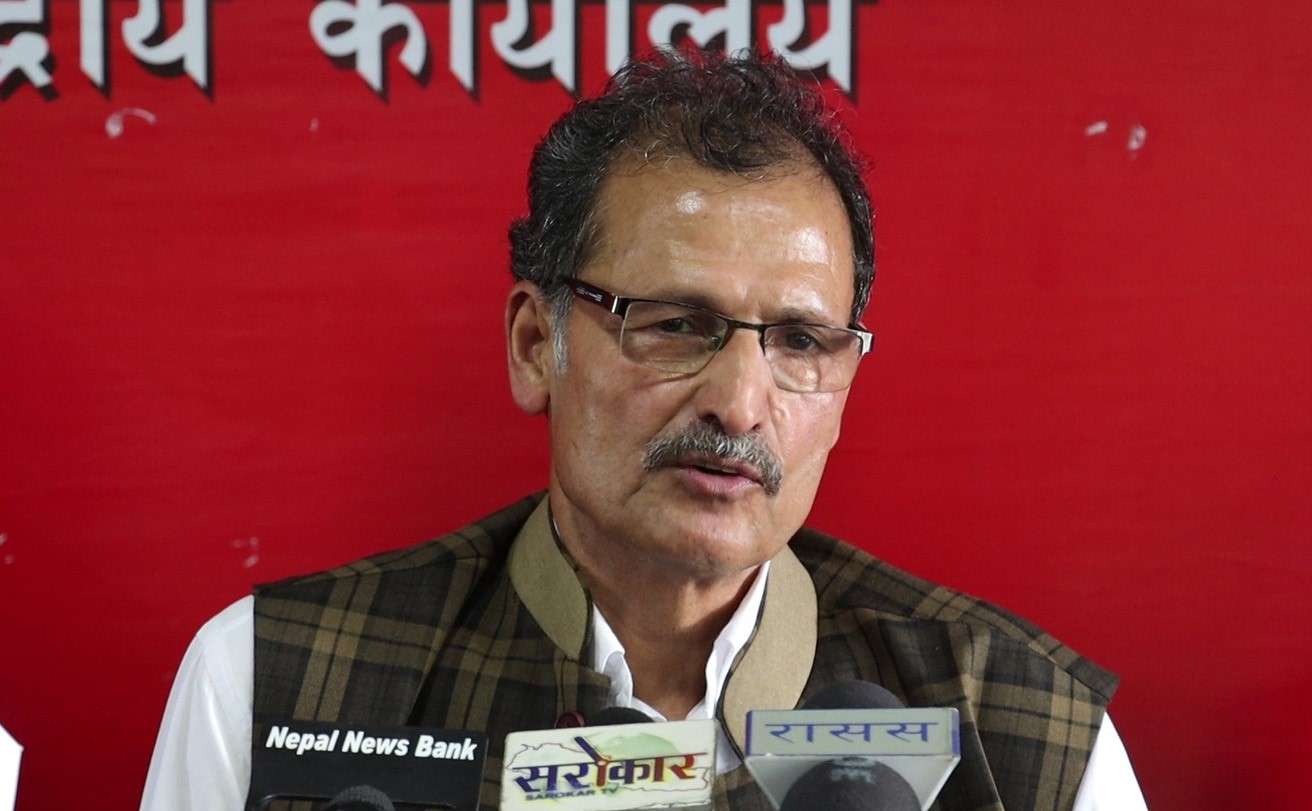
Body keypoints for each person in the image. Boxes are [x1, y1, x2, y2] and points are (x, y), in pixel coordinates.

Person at [141, 49, 1148, 810]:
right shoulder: (274, 679)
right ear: (535, 345)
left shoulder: (1019, 728)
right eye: (674, 324)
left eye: (800, 341)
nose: (740, 403)